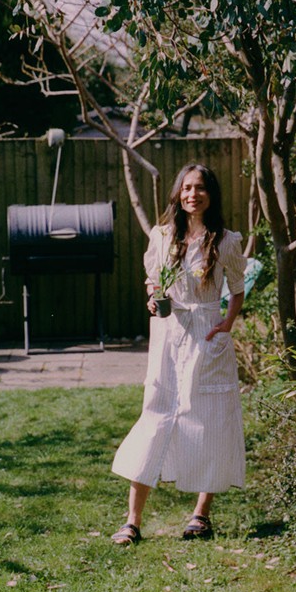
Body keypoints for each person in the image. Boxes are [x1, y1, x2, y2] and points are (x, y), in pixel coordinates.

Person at [110, 162, 247, 545]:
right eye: (186, 187)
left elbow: (236, 288)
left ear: (211, 194)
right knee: (156, 415)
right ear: (178, 193)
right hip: (169, 338)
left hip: (206, 337)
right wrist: (154, 300)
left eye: (200, 188)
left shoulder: (225, 241)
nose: (192, 194)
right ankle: (132, 522)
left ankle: (200, 515)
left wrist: (226, 324)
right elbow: (153, 280)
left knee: (210, 420)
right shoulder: (163, 236)